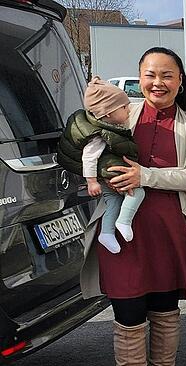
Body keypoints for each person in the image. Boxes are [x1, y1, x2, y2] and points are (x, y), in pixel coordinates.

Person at [79, 47, 186, 366]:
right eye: (151, 74)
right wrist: (97, 175)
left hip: (169, 230)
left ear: (180, 81)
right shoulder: (121, 114)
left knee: (164, 312)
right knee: (127, 313)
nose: (158, 83)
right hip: (122, 235)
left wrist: (147, 177)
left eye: (168, 75)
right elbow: (84, 148)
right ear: (140, 77)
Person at [58, 77, 145, 254]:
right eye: (124, 107)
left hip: (106, 174)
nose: (129, 110)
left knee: (113, 202)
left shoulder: (108, 127)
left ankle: (106, 233)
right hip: (106, 175)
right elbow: (89, 158)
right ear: (108, 114)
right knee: (138, 191)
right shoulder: (99, 135)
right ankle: (124, 221)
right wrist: (92, 181)